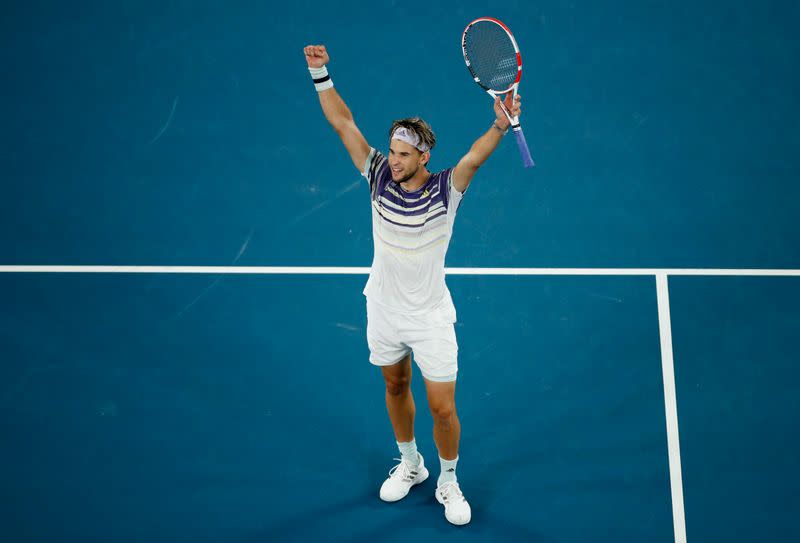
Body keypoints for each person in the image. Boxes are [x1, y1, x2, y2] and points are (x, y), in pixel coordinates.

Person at [303, 44, 522, 526]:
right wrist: (320, 73)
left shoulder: (447, 191)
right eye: (393, 152)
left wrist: (500, 126)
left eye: (403, 154)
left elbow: (475, 159)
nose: (394, 161)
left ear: (424, 155)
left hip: (429, 316)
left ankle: (448, 478)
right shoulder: (378, 174)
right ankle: (411, 464)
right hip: (382, 308)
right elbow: (344, 124)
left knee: (443, 408)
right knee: (394, 384)